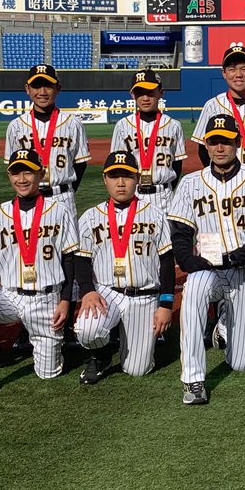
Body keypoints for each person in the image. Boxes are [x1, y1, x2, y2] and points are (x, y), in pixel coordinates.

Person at [168, 114, 245, 406]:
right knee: (194, 288)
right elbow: (180, 232)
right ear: (206, 145)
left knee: (242, 363)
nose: (220, 148)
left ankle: (223, 325)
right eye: (214, 141)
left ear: (238, 143)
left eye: (226, 141)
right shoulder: (191, 183)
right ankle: (193, 380)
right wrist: (188, 261)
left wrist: (234, 257)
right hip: (211, 271)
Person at [0, 148, 80, 403]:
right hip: (9, 296)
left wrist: (65, 300)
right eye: (16, 173)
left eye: (28, 172)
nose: (22, 179)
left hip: (46, 299)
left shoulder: (59, 210)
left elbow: (69, 258)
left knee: (48, 374)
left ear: (41, 174)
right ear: (9, 176)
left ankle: (49, 344)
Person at [72, 151, 175, 384]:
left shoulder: (155, 214)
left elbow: (167, 262)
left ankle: (125, 337)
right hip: (106, 293)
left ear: (137, 178)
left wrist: (166, 305)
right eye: (114, 176)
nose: (120, 183)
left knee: (137, 369)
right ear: (104, 179)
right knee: (87, 330)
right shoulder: (90, 217)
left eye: (127, 176)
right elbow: (82, 260)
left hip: (144, 295)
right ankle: (101, 355)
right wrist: (88, 290)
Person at [4, 63, 91, 219]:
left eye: (48, 86)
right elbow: (13, 169)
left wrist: (66, 189)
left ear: (58, 88)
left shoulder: (73, 124)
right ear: (27, 89)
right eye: (37, 86)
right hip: (28, 199)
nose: (42, 92)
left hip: (63, 197)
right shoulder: (16, 126)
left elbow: (80, 164)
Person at [191, 45, 245, 172]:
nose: (238, 74)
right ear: (224, 73)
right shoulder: (212, 106)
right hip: (223, 178)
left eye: (244, 69)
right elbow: (203, 149)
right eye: (232, 69)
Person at [109, 68, 185, 213]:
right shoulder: (122, 126)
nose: (145, 98)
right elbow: (117, 165)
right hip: (133, 195)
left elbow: (177, 164)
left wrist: (166, 187)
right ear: (132, 95)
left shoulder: (174, 126)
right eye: (139, 92)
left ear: (161, 92)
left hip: (164, 197)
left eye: (150, 92)